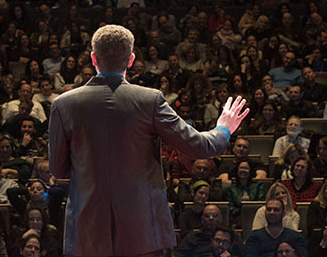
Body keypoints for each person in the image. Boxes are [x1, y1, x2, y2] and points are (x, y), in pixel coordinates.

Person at [47, 25, 248, 256]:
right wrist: (224, 127)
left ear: (93, 58)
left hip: (87, 232)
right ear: (131, 59)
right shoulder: (149, 100)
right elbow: (200, 146)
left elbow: (57, 169)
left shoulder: (63, 104)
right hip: (141, 231)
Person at [244, 199, 309, 257]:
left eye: (276, 210)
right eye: (269, 209)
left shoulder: (296, 237)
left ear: (283, 213)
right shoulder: (254, 237)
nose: (272, 212)